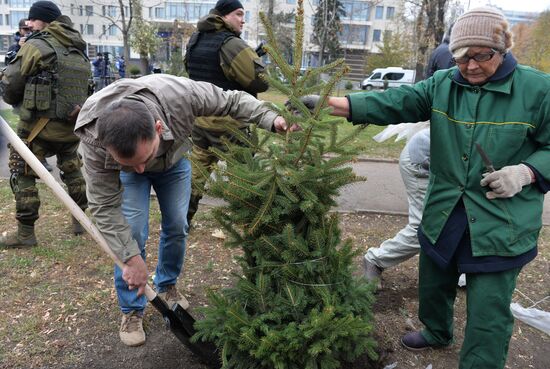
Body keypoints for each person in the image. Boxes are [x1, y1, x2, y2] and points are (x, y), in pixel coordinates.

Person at [299, 7, 550, 368]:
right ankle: (436, 330)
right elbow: (397, 101)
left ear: (504, 48)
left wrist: (525, 173)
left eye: (483, 56)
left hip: (501, 221)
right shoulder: (445, 83)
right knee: (435, 278)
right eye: (462, 57)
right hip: (447, 209)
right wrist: (335, 104)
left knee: (488, 308)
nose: (472, 65)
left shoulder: (538, 90)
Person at [75, 74, 291, 347]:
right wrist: (130, 259)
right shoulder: (95, 138)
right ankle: (132, 309)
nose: (141, 169)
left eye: (144, 158)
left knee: (178, 224)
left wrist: (271, 118)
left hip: (174, 163)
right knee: (133, 232)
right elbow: (104, 206)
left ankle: (166, 284)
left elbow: (232, 101)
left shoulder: (180, 95)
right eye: (132, 161)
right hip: (124, 174)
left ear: (157, 127)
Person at [363, 25, 455, 289]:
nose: (472, 64)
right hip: (422, 161)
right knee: (425, 228)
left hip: (441, 159)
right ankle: (375, 259)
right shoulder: (450, 60)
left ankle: (458, 270)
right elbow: (405, 101)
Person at [0, 1, 89, 248]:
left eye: (32, 19)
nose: (29, 24)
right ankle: (80, 221)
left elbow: (10, 87)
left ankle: (25, 233)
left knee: (22, 170)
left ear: (43, 21)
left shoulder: (36, 45)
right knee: (72, 169)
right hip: (72, 127)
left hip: (38, 128)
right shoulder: (80, 49)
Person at [184, 0, 268, 225]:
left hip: (200, 123)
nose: (242, 20)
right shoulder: (231, 44)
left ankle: (182, 222)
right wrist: (255, 58)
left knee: (195, 177)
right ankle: (248, 224)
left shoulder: (195, 39)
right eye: (238, 14)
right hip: (231, 126)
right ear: (223, 16)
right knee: (243, 177)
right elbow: (261, 82)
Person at [5, 17, 53, 172]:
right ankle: (26, 164)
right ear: (20, 30)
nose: (28, 32)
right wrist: (20, 50)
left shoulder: (38, 44)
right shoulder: (14, 46)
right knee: (26, 130)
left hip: (36, 94)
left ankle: (40, 160)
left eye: (30, 29)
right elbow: (10, 70)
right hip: (21, 95)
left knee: (39, 129)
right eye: (25, 30)